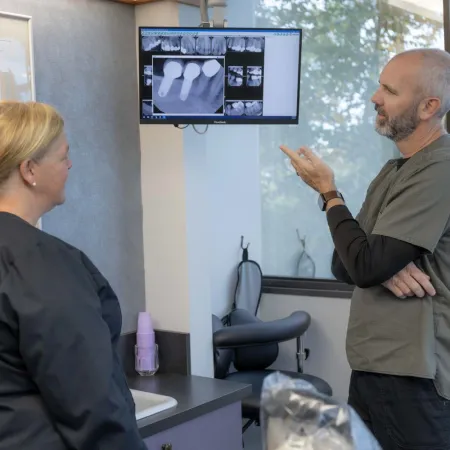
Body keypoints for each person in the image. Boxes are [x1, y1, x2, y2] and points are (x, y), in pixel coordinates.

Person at [281, 48, 450, 450]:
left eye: (389, 90)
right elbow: (346, 262)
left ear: (429, 106)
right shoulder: (395, 169)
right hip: (376, 369)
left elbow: (363, 263)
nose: (375, 97)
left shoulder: (440, 169)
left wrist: (328, 193)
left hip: (414, 378)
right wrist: (382, 264)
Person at [0, 101, 146, 450]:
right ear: (29, 169)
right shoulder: (42, 266)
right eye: (63, 156)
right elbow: (93, 408)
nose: (70, 165)